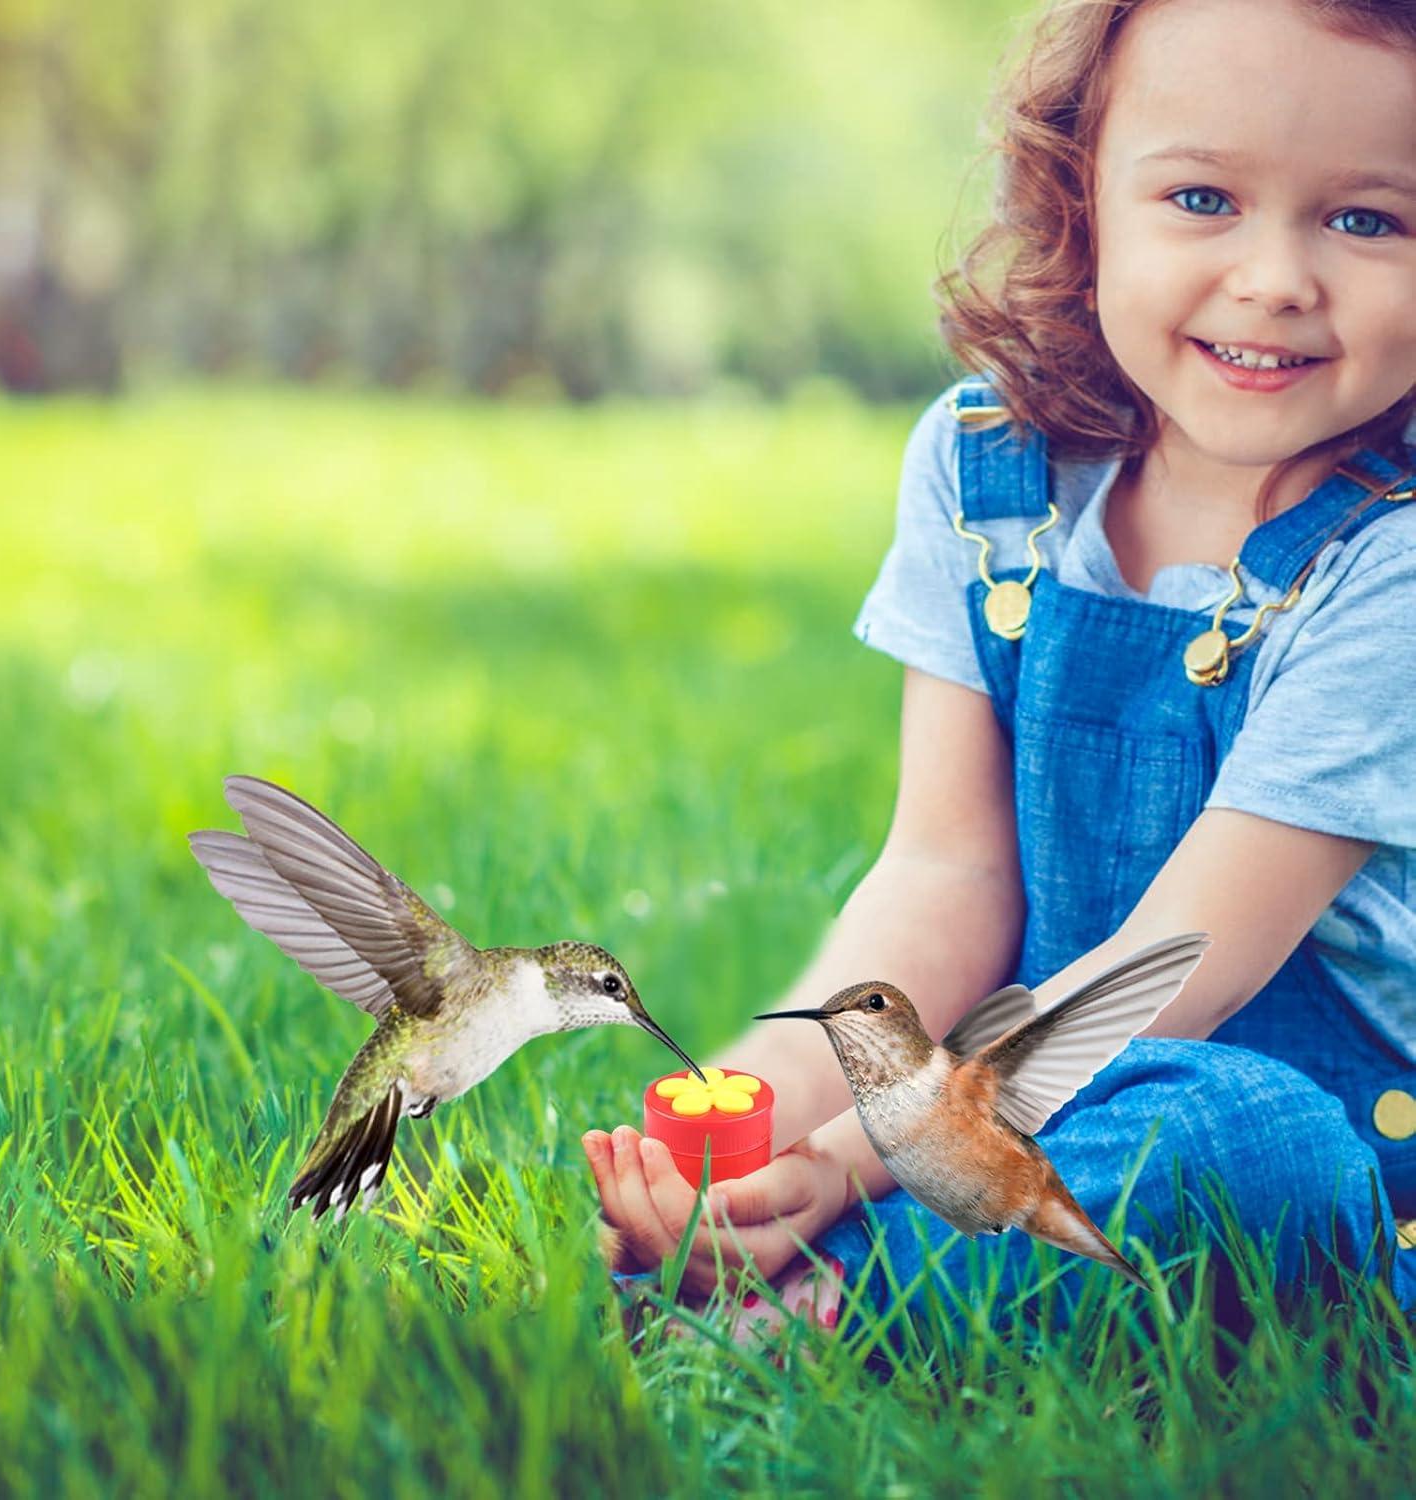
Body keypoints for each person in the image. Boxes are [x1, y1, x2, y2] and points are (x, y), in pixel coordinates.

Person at [583, 0, 1416, 1338]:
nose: (1275, 278)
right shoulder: (989, 474)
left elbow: (1178, 962)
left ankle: (842, 1306)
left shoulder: (1392, 562)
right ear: (1083, 198)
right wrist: (762, 1114)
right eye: (1203, 196)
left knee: (1244, 1147)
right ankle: (771, 1262)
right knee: (837, 1161)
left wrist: (863, 1158)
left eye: (1367, 219)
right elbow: (947, 876)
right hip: (990, 1108)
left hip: (1317, 1145)